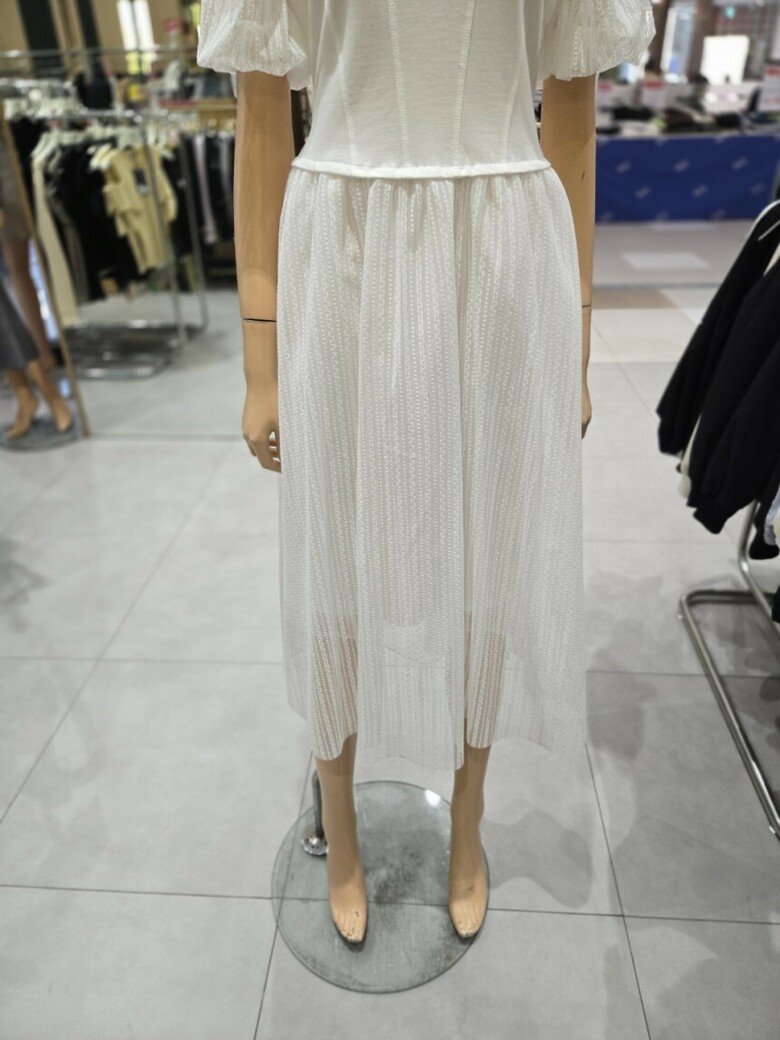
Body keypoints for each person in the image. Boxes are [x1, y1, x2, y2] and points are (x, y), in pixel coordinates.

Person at [197, 0, 655, 946]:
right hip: (342, 246)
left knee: (487, 557)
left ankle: (469, 817)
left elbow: (571, 114)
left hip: (503, 252)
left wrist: (573, 347)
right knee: (338, 554)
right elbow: (262, 114)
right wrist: (260, 362)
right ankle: (339, 814)